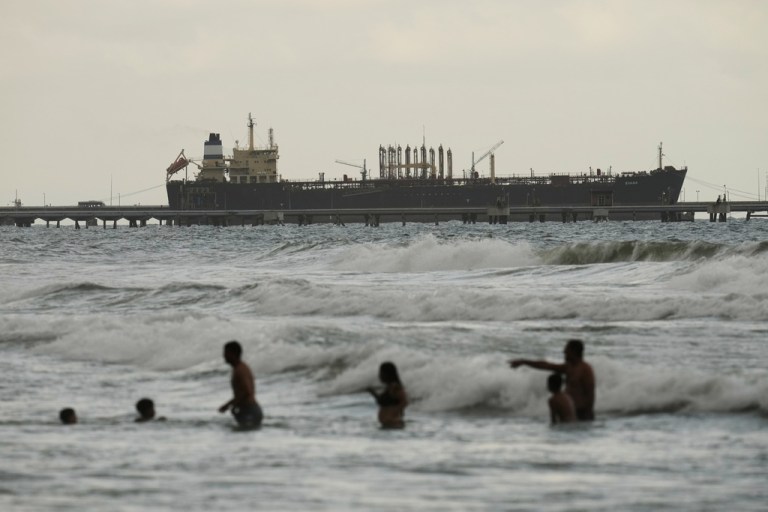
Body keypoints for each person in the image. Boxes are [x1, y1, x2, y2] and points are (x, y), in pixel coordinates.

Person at [509, 339, 595, 421]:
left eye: (567, 350)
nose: (564, 352)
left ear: (574, 351)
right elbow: (546, 365)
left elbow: (590, 394)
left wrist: (588, 414)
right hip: (570, 411)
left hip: (583, 413)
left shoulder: (585, 369)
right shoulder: (569, 367)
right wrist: (524, 362)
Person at [219, 340, 263, 428]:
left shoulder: (240, 370)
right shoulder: (239, 368)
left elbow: (247, 391)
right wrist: (231, 405)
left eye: (226, 353)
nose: (224, 356)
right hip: (247, 410)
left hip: (250, 410)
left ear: (233, 354)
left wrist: (229, 405)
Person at [367, 362, 408, 429]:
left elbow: (405, 402)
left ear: (388, 374)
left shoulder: (395, 387)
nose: (379, 376)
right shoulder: (389, 387)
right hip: (388, 425)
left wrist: (393, 412)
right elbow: (383, 402)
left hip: (394, 424)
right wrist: (372, 393)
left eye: (381, 373)